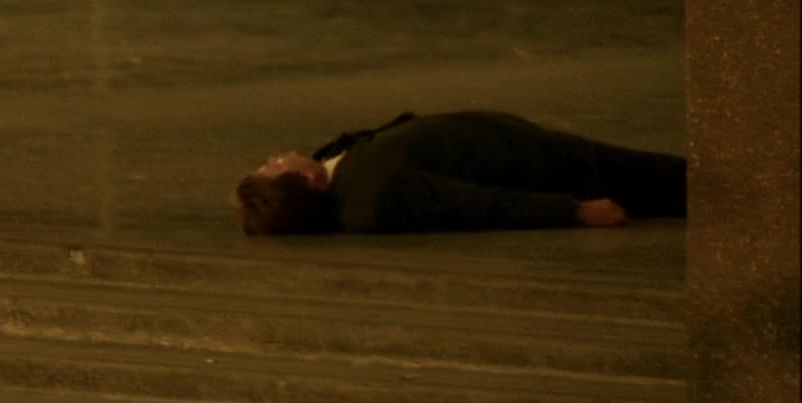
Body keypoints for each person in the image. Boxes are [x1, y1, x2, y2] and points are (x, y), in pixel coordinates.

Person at [230, 111, 685, 235]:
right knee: (665, 179)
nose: (274, 156)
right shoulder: (372, 197)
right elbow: (472, 204)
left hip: (509, 141)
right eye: (272, 166)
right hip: (533, 164)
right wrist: (573, 211)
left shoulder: (334, 170)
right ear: (308, 183)